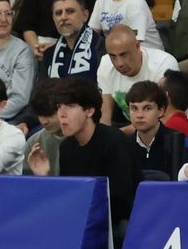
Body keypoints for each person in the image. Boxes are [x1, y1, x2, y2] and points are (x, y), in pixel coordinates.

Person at [45, 75, 143, 232]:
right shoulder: (66, 147)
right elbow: (69, 196)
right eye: (58, 106)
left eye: (70, 106)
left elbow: (120, 201)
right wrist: (44, 175)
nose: (62, 114)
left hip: (119, 222)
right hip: (83, 220)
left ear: (89, 111)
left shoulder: (113, 141)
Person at [98, 23, 179, 126]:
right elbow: (105, 116)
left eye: (124, 54)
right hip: (135, 128)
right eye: (113, 56)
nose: (119, 63)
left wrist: (118, 136)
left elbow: (163, 118)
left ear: (137, 46)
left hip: (173, 127)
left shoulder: (163, 64)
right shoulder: (106, 64)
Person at [126, 78, 187, 177]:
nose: (139, 115)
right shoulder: (123, 146)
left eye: (147, 108)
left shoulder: (177, 142)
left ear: (161, 111)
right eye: (134, 108)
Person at [41, 0, 104, 83]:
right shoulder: (49, 54)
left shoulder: (102, 47)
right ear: (54, 19)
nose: (63, 17)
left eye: (70, 11)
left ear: (85, 16)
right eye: (58, 13)